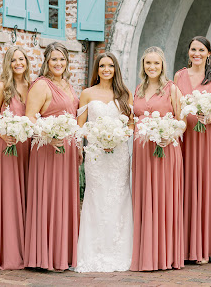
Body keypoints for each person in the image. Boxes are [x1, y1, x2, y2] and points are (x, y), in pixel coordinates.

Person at [174, 36, 211, 264]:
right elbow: (174, 106)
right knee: (187, 186)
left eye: (201, 50)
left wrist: (209, 118)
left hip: (209, 137)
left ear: (209, 53)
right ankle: (187, 246)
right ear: (188, 52)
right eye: (193, 49)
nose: (196, 53)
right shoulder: (179, 76)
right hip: (186, 137)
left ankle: (207, 247)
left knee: (209, 187)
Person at [74, 52, 134, 273]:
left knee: (118, 198)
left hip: (118, 155)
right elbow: (80, 126)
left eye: (110, 66)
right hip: (96, 155)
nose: (106, 69)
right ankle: (94, 252)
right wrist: (98, 139)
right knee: (96, 199)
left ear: (116, 68)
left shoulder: (124, 93)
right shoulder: (87, 93)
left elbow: (131, 125)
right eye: (102, 66)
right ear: (97, 70)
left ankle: (120, 252)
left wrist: (118, 138)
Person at [24, 42, 80, 271]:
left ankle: (63, 253)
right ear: (47, 61)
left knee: (64, 198)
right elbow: (30, 117)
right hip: (47, 148)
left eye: (62, 59)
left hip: (66, 150)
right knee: (49, 197)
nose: (58, 63)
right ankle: (44, 256)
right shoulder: (41, 85)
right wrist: (50, 134)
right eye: (54, 59)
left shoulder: (67, 84)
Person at [131, 46, 185, 271]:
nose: (152, 67)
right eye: (148, 63)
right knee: (145, 198)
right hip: (143, 152)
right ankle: (147, 253)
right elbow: (132, 118)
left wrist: (170, 134)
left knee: (164, 199)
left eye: (156, 63)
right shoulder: (138, 89)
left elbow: (182, 120)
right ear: (143, 66)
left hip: (166, 149)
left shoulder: (171, 89)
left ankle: (165, 254)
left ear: (163, 65)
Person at [0, 46, 31, 269]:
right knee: (9, 195)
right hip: (7, 145)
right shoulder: (2, 87)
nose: (18, 63)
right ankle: (8, 251)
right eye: (13, 60)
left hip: (27, 147)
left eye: (21, 59)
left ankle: (27, 248)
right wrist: (4, 133)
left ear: (27, 62)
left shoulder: (32, 87)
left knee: (26, 194)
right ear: (8, 63)